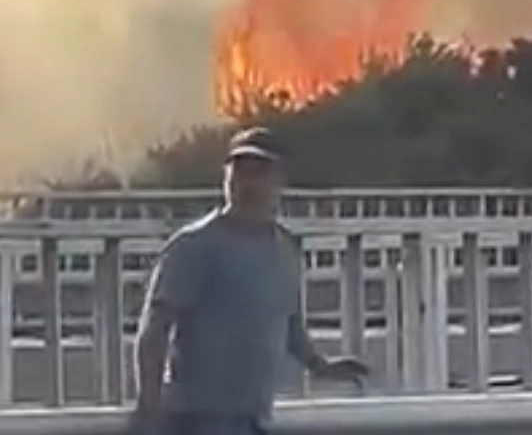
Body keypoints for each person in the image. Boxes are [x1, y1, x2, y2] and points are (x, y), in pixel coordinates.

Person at [131, 127, 369, 435]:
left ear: (279, 180)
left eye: (260, 172)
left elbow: (290, 325)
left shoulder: (285, 249)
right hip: (197, 416)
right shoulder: (194, 245)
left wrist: (322, 366)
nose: (248, 182)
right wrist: (148, 405)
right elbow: (156, 327)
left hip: (254, 416)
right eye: (239, 171)